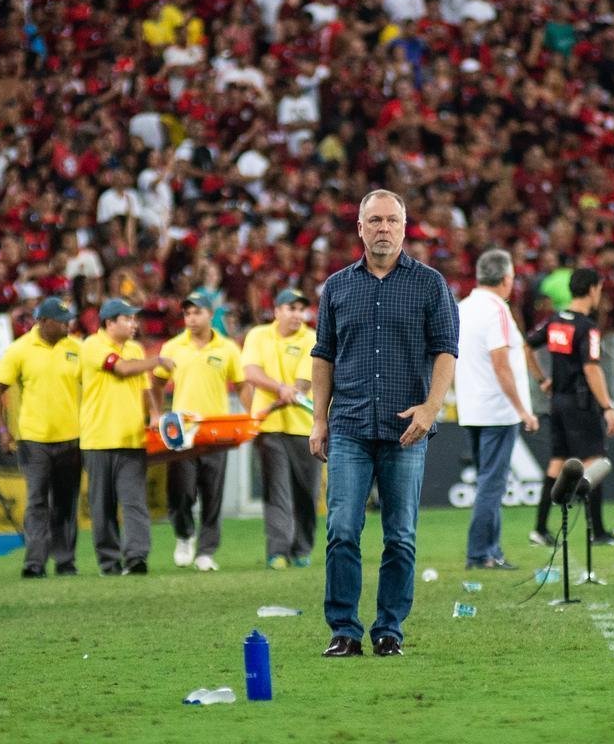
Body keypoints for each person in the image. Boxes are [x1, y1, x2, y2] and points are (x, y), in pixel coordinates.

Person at [309, 188, 459, 658]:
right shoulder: (336, 286)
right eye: (374, 221)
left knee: (400, 535)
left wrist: (432, 407)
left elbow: (446, 350)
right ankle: (344, 630)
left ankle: (390, 628)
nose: (383, 229)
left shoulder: (430, 283)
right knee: (342, 530)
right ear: (359, 228)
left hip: (406, 427)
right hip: (350, 424)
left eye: (391, 221)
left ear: (404, 226)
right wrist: (318, 420)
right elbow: (323, 356)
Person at [455, 248, 544, 570]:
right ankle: (480, 553)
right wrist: (522, 409)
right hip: (497, 410)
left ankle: (490, 550)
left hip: (472, 407)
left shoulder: (463, 307)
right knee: (492, 484)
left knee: (486, 481)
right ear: (507, 279)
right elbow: (501, 364)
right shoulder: (497, 311)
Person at [526, 268, 614, 547]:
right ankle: (598, 532)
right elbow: (592, 369)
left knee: (558, 461)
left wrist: (543, 380)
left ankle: (540, 529)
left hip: (557, 402)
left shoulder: (555, 321)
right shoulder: (587, 327)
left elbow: (527, 346)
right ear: (592, 289)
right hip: (581, 404)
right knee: (595, 461)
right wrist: (607, 407)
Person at [0, 297, 85, 577]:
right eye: (61, 320)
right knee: (37, 501)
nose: (68, 324)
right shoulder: (19, 350)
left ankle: (65, 561)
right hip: (33, 439)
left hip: (72, 437)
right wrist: (3, 430)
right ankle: (35, 563)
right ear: (43, 322)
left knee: (66, 502)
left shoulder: (78, 348)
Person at [154, 291, 249, 572]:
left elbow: (242, 384)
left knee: (213, 492)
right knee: (181, 490)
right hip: (181, 432)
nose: (191, 318)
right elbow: (158, 383)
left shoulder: (228, 348)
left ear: (210, 315)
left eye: (197, 312)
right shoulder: (172, 347)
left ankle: (206, 551)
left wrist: (250, 415)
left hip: (216, 431)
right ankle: (184, 535)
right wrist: (156, 414)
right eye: (187, 313)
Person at [80, 298, 171, 576]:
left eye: (134, 319)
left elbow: (144, 388)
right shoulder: (92, 345)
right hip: (99, 437)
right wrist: (156, 361)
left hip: (132, 437)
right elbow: (121, 369)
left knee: (134, 502)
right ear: (109, 323)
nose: (134, 324)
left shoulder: (135, 348)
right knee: (102, 505)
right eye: (128, 319)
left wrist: (155, 413)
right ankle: (109, 562)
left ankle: (136, 558)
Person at [241, 287, 319, 570]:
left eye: (301, 309)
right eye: (291, 308)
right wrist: (281, 389)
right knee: (276, 490)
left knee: (306, 493)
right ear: (277, 311)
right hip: (268, 425)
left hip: (304, 427)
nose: (297, 314)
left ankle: (302, 547)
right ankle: (278, 551)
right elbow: (251, 373)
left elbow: (305, 382)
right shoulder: (257, 335)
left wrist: (294, 390)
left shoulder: (312, 338)